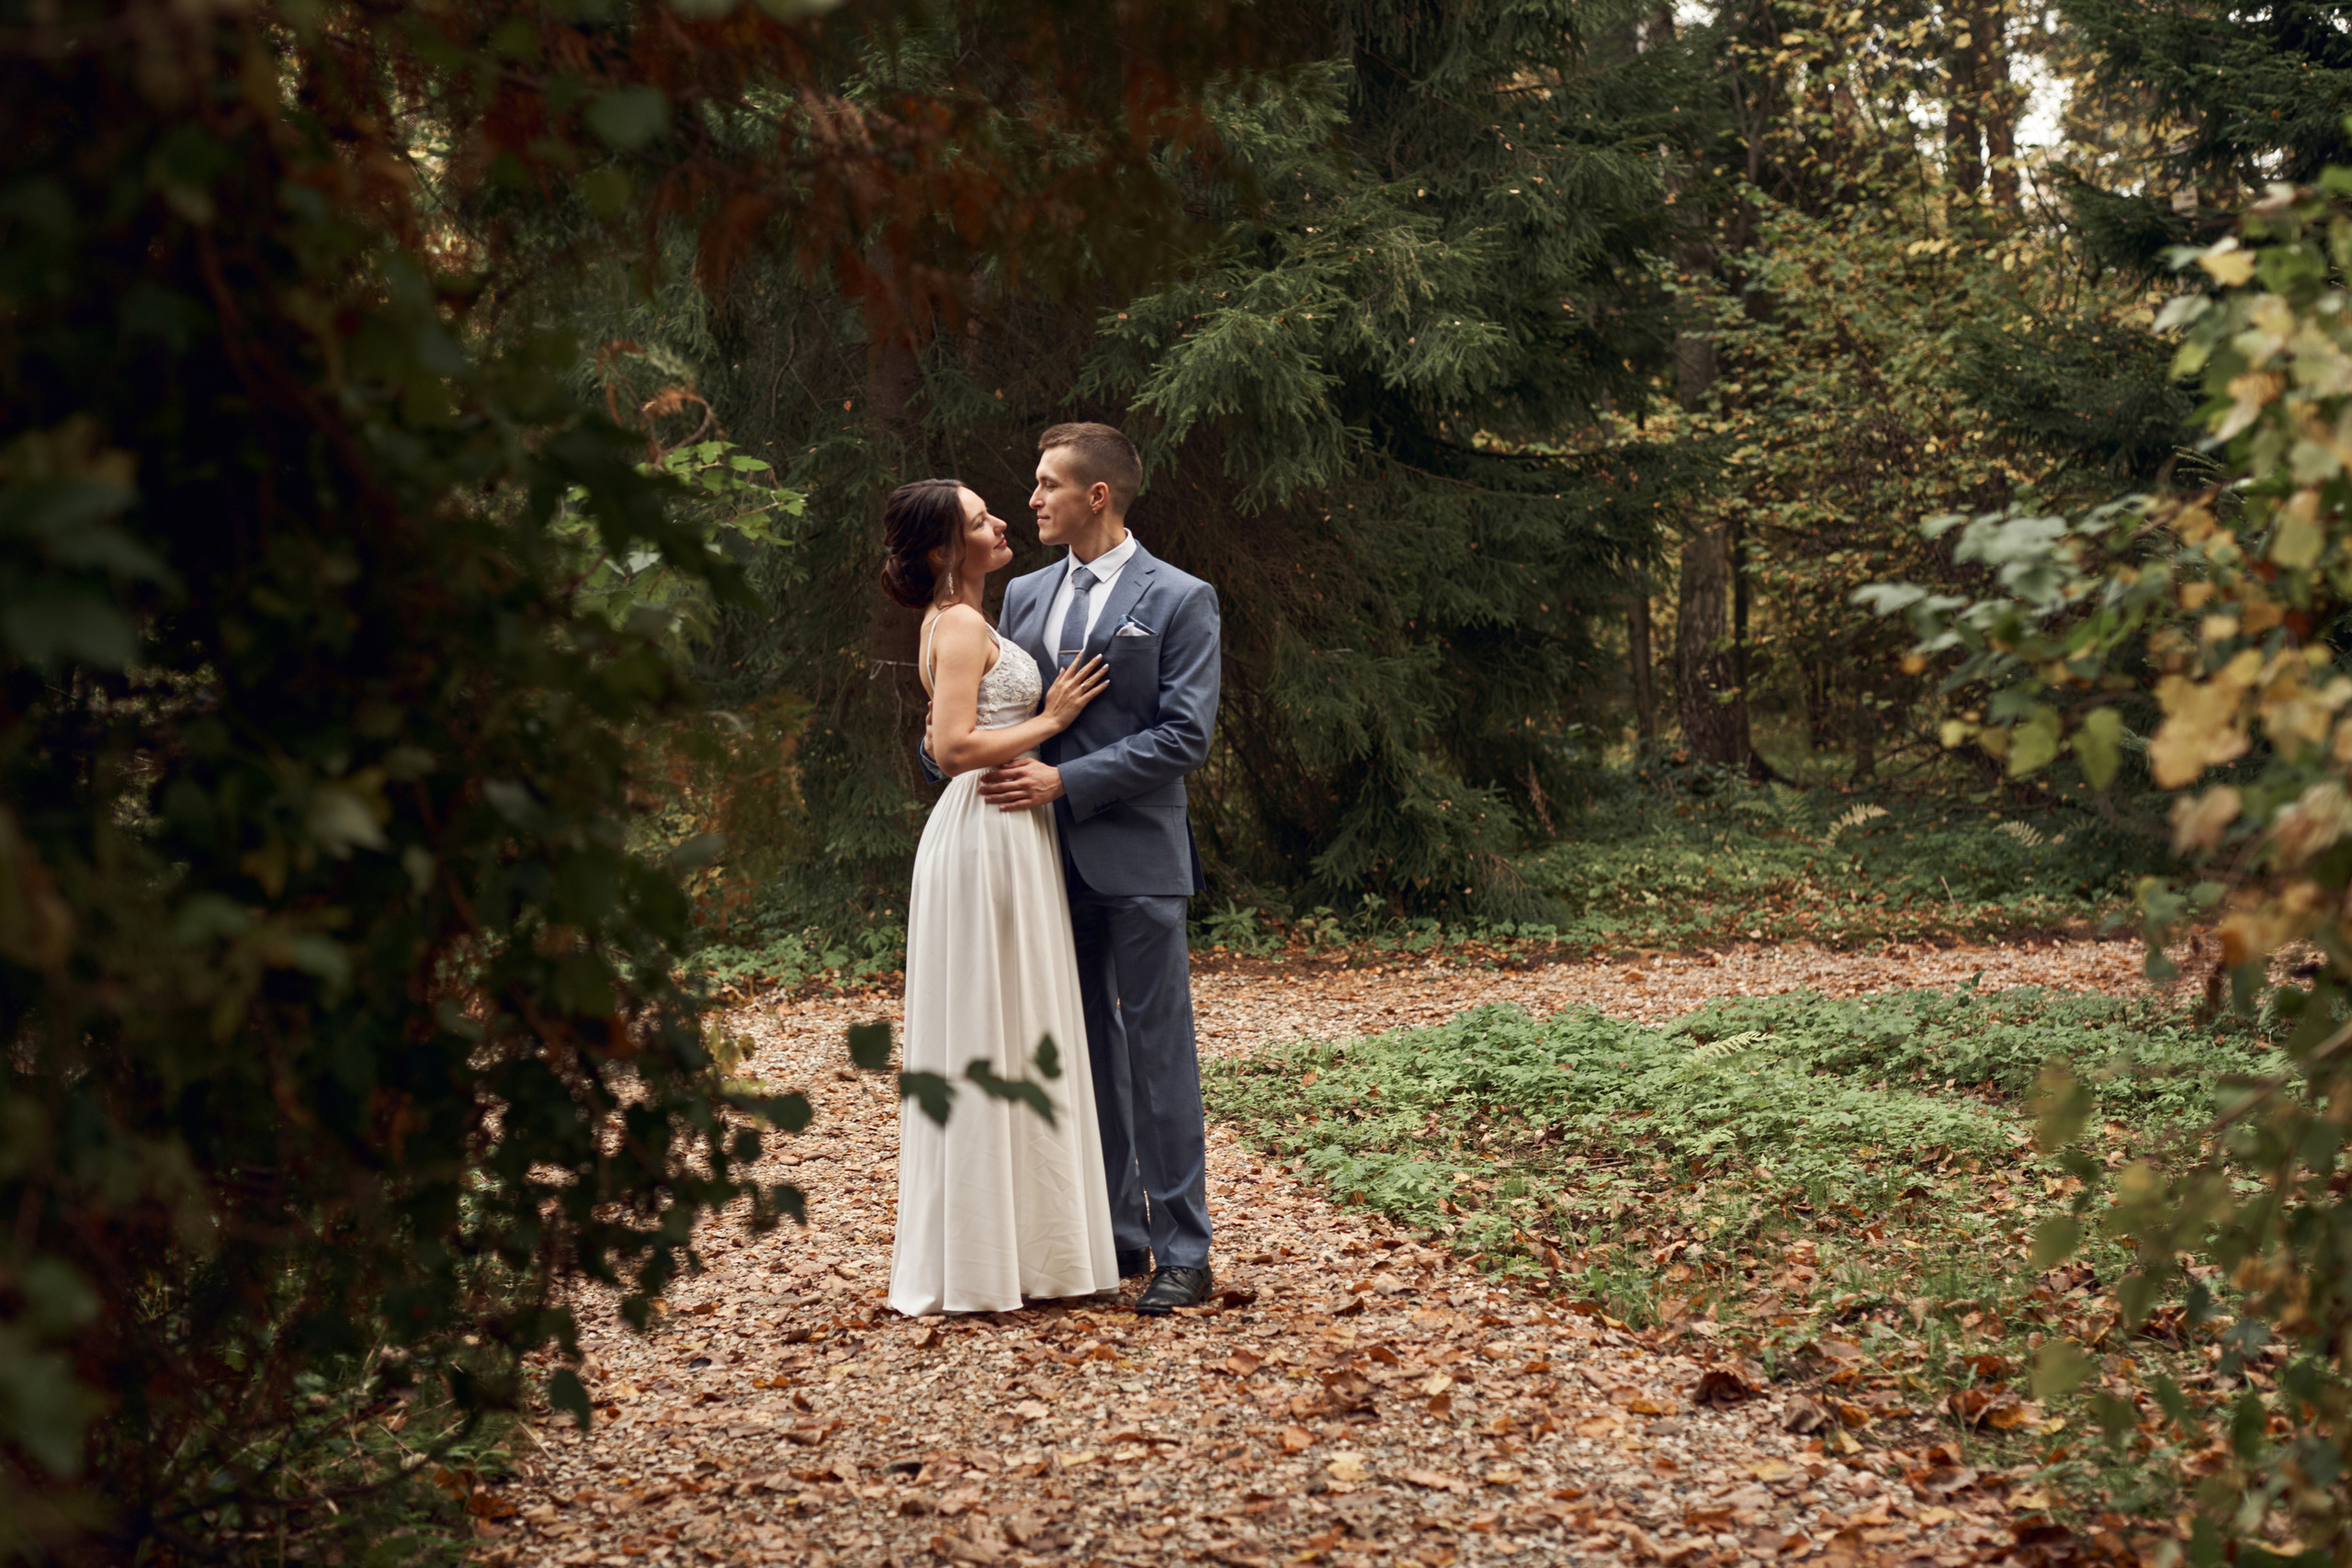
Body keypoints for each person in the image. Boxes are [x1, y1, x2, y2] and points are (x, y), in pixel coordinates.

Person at [976, 423, 1222, 1316]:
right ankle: (1116, 1234)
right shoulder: (1026, 595)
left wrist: (1064, 781)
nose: (1031, 499)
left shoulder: (1181, 598)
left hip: (1140, 860)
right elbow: (1009, 706)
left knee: (1159, 1054)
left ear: (1097, 496)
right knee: (1083, 1054)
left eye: (1046, 484)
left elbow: (1184, 735)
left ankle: (1184, 1251)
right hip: (1042, 864)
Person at [880, 478, 1121, 1316]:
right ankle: (984, 1260)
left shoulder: (975, 619)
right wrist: (1049, 721)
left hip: (1012, 835)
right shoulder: (955, 625)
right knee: (991, 1022)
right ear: (947, 550)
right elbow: (949, 748)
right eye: (981, 519)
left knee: (1021, 1023)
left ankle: (1032, 1249)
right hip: (983, 836)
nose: (1003, 520)